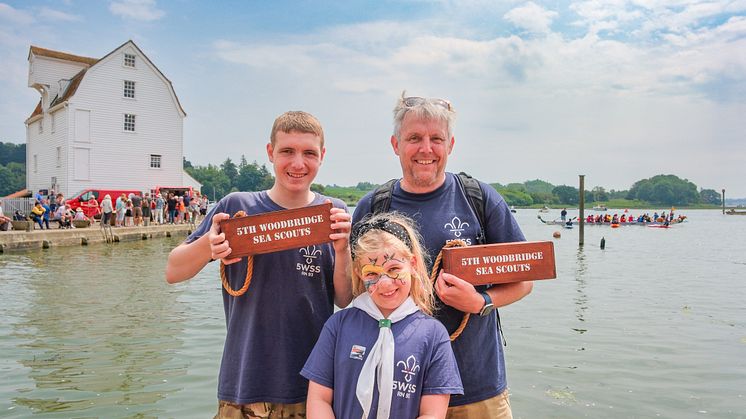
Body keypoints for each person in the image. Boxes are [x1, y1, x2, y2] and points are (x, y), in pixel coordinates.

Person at [353, 93, 532, 418]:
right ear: (395, 144)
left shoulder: (479, 198)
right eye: (414, 138)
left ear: (450, 145)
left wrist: (480, 303)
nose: (426, 149)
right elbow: (352, 294)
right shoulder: (372, 207)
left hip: (477, 389)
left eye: (436, 138)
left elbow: (524, 282)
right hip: (398, 391)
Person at [165, 111, 353, 418]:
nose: (297, 163)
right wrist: (208, 246)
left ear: (322, 156)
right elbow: (173, 271)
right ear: (270, 152)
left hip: (312, 389)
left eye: (309, 153)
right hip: (244, 384)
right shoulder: (237, 207)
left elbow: (344, 300)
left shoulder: (334, 212)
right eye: (287, 151)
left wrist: (343, 250)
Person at [303, 213, 463, 418]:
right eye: (372, 273)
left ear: (413, 264)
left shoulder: (433, 335)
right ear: (359, 273)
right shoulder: (338, 325)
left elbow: (432, 413)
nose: (385, 283)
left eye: (394, 268)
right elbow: (319, 399)